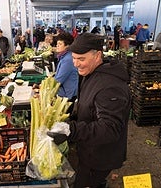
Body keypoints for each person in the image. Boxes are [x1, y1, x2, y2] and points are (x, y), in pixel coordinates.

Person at [47, 33, 131, 188]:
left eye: (81, 59)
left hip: (100, 156)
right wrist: (71, 119)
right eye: (74, 58)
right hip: (89, 149)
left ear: (98, 55)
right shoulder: (92, 73)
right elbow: (88, 106)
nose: (76, 64)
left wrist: (72, 130)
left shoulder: (110, 87)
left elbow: (110, 129)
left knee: (88, 183)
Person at [54, 32, 78, 106]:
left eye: (60, 44)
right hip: (67, 94)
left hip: (67, 96)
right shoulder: (64, 56)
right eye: (57, 43)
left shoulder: (67, 60)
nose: (57, 46)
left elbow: (58, 80)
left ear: (67, 46)